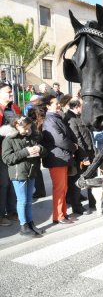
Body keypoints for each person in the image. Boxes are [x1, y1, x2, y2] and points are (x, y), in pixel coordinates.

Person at [0, 116, 46, 237]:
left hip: (31, 171)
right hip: (18, 173)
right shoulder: (8, 139)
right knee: (22, 200)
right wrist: (26, 151)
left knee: (29, 200)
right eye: (25, 128)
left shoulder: (30, 136)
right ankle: (23, 226)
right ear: (17, 125)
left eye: (29, 128)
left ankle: (30, 223)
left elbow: (42, 149)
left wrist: (39, 149)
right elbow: (7, 159)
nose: (27, 130)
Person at [40, 94, 78, 224]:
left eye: (57, 102)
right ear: (47, 106)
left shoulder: (55, 118)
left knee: (63, 188)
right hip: (57, 158)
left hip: (61, 157)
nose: (58, 104)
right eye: (55, 103)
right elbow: (59, 139)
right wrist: (73, 146)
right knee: (59, 188)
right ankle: (58, 216)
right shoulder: (50, 120)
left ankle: (63, 214)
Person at [64, 99, 95, 215]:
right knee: (78, 181)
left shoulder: (79, 116)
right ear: (77, 106)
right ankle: (77, 207)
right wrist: (84, 157)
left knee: (92, 177)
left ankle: (94, 202)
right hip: (81, 155)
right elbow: (78, 139)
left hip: (89, 152)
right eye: (82, 106)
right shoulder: (71, 119)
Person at [0, 82, 21, 226]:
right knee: (3, 184)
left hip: (14, 151)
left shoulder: (13, 108)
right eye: (8, 92)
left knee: (14, 181)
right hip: (1, 153)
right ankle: (1, 215)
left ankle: (12, 211)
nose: (11, 94)